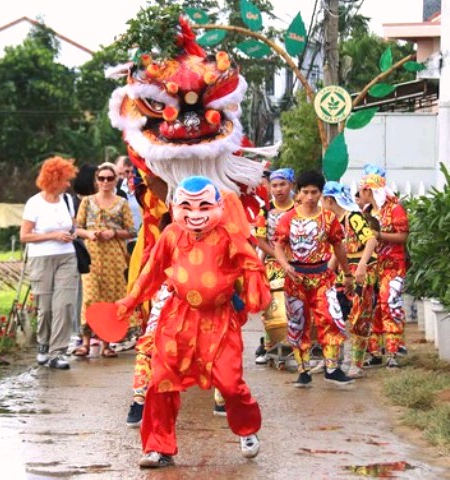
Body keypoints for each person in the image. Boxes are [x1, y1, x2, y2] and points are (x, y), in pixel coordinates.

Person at [114, 176, 270, 468]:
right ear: (175, 206)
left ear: (218, 206)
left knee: (230, 384)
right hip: (178, 318)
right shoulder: (171, 234)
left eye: (204, 207)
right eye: (187, 206)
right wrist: (129, 301)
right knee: (160, 381)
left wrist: (252, 289)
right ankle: (158, 448)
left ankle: (247, 430)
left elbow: (251, 262)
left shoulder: (229, 234)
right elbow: (150, 273)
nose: (195, 214)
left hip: (219, 321)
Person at [274, 170, 355, 387]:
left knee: (331, 318)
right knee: (298, 323)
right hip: (296, 279)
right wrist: (285, 265)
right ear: (298, 193)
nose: (310, 197)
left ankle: (332, 368)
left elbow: (339, 247)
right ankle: (303, 371)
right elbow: (278, 246)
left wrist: (347, 274)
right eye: (306, 192)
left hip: (323, 277)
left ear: (321, 193)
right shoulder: (287, 219)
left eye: (315, 192)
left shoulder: (329, 219)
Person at [20, 156, 83, 370]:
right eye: (65, 179)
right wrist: (53, 236)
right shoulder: (34, 203)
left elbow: (73, 226)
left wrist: (72, 234)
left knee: (64, 305)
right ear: (54, 179)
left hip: (67, 256)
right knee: (45, 308)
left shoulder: (67, 201)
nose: (68, 184)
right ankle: (44, 344)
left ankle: (59, 352)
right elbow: (25, 236)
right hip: (41, 259)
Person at [74, 162, 137, 358]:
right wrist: (90, 234)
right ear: (96, 181)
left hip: (114, 256)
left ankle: (107, 343)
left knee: (111, 299)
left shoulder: (122, 203)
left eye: (110, 178)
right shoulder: (87, 202)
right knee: (90, 297)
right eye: (101, 178)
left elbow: (132, 231)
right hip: (91, 255)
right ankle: (85, 342)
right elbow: (76, 228)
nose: (105, 182)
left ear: (115, 180)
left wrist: (114, 233)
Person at [322, 182, 378, 379]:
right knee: (334, 314)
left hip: (362, 270)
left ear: (329, 200)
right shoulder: (333, 221)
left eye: (322, 199)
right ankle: (331, 362)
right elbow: (339, 250)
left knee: (359, 317)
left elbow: (371, 240)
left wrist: (362, 266)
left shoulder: (353, 216)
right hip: (344, 272)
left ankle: (357, 364)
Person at [358, 170, 409, 369]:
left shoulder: (394, 209)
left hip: (393, 267)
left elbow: (403, 237)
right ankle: (375, 352)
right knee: (372, 309)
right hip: (372, 268)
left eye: (362, 190)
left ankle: (393, 352)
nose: (359, 195)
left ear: (368, 190)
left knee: (390, 304)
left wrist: (379, 236)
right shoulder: (366, 213)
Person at [253, 168, 295, 365]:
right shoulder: (265, 210)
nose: (278, 189)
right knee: (272, 306)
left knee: (297, 305)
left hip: (297, 263)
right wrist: (278, 256)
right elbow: (260, 240)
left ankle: (298, 346)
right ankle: (269, 346)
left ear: (291, 185)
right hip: (273, 264)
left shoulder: (300, 208)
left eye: (283, 184)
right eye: (275, 185)